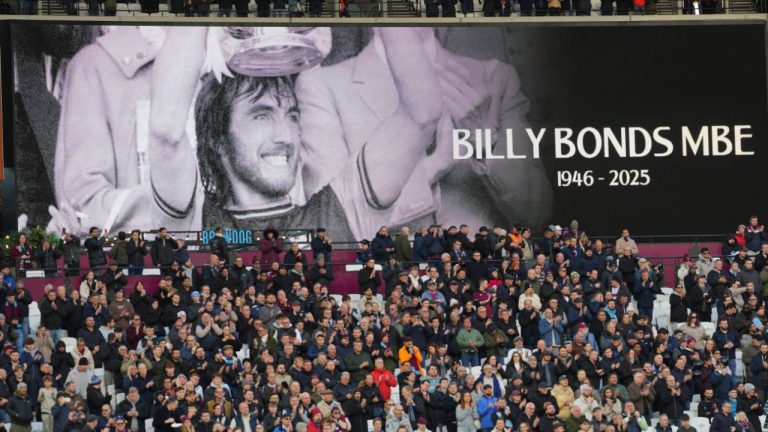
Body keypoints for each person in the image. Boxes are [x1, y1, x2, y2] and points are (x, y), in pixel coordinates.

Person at [296, 28, 553, 238]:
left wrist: (486, 145)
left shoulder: (495, 78)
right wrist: (432, 169)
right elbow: (329, 227)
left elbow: (538, 216)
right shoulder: (322, 87)